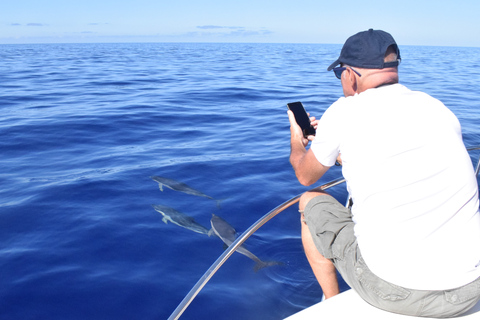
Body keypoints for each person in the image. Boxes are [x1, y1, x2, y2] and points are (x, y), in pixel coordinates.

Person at [288, 29, 480, 317]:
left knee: (308, 199)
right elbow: (398, 151)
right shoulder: (436, 107)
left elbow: (305, 175)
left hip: (401, 292)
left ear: (350, 75)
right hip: (471, 284)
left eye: (339, 71)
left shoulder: (344, 111)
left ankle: (330, 302)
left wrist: (296, 140)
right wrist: (339, 156)